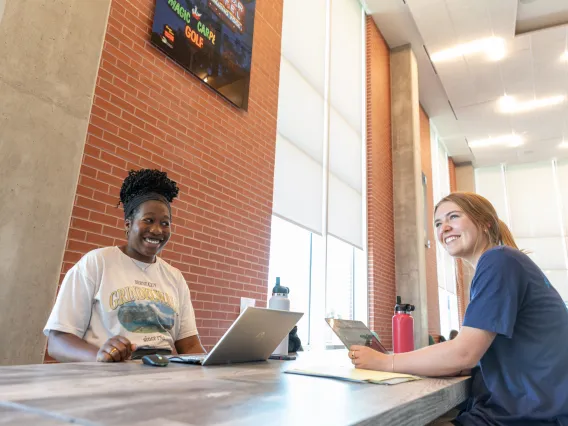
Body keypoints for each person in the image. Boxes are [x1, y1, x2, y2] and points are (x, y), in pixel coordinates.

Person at [348, 192, 568, 425]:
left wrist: (384, 362)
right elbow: (478, 354)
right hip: (533, 406)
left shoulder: (499, 260)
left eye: (453, 217)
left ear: (486, 223)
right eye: (438, 224)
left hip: (529, 415)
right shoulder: (504, 262)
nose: (444, 228)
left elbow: (464, 353)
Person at [44, 169, 205, 362]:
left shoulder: (175, 277)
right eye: (148, 220)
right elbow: (58, 342)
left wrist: (215, 365)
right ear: (128, 224)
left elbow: (190, 346)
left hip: (163, 377)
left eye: (165, 223)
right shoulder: (97, 263)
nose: (157, 230)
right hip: (109, 378)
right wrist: (100, 355)